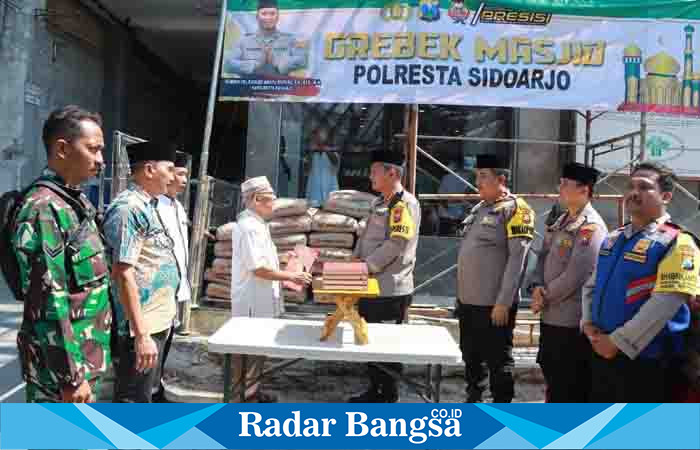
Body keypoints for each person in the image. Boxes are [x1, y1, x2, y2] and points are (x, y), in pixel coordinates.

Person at [12, 106, 110, 403]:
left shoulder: (72, 201)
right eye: (92, 150)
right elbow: (48, 300)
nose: (100, 160)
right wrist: (70, 376)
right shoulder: (44, 207)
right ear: (63, 148)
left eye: (101, 150)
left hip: (87, 355)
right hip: (62, 374)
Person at [582, 162, 700, 403]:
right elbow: (591, 286)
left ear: (665, 196)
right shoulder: (613, 239)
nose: (634, 192)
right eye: (631, 186)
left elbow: (666, 302)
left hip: (647, 361)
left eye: (645, 187)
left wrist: (618, 341)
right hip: (602, 351)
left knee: (640, 438)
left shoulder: (678, 242)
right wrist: (587, 323)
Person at [103, 141, 180, 403]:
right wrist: (142, 335)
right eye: (169, 169)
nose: (173, 176)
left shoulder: (149, 205)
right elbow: (124, 274)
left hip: (156, 319)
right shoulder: (129, 209)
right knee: (133, 400)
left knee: (148, 393)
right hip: (140, 326)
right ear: (149, 170)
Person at [456, 154, 534, 403]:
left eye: (484, 176)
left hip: (494, 306)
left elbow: (517, 260)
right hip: (469, 303)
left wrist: (503, 302)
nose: (477, 181)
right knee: (471, 358)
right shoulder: (481, 208)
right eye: (476, 175)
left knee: (498, 361)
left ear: (501, 179)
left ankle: (502, 414)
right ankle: (474, 404)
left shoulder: (516, 209)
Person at [230, 176, 312, 402]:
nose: (273, 205)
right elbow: (258, 269)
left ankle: (252, 393)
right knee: (246, 353)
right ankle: (240, 400)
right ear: (256, 199)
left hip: (261, 299)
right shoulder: (249, 227)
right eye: (269, 200)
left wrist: (283, 258)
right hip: (252, 301)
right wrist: (292, 275)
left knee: (258, 352)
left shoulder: (258, 225)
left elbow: (261, 260)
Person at [530, 162, 607, 402]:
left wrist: (545, 295)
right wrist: (535, 287)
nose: (559, 188)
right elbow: (542, 256)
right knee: (552, 375)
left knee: (569, 385)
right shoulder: (561, 220)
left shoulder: (591, 226)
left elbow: (578, 274)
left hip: (570, 320)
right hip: (550, 315)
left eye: (565, 184)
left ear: (584, 190)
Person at [349, 149, 421, 403]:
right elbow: (368, 236)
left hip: (391, 288)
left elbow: (396, 243)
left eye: (374, 171)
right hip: (369, 284)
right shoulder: (379, 202)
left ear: (392, 173)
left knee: (388, 345)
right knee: (368, 339)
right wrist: (356, 260)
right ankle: (374, 389)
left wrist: (367, 266)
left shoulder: (404, 204)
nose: (370, 176)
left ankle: (389, 395)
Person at [223, 0, 308, 77]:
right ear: (257, 16)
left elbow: (302, 60)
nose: (268, 18)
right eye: (264, 14)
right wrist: (254, 65)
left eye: (272, 14)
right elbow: (227, 64)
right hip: (250, 90)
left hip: (281, 89)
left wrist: (278, 63)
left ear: (277, 17)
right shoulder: (244, 41)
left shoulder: (290, 39)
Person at [305, 127, 339, 207]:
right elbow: (306, 169)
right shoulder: (311, 155)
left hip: (330, 195)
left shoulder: (332, 153)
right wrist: (311, 152)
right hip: (314, 197)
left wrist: (325, 149)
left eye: (320, 138)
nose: (318, 140)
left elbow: (335, 162)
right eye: (316, 138)